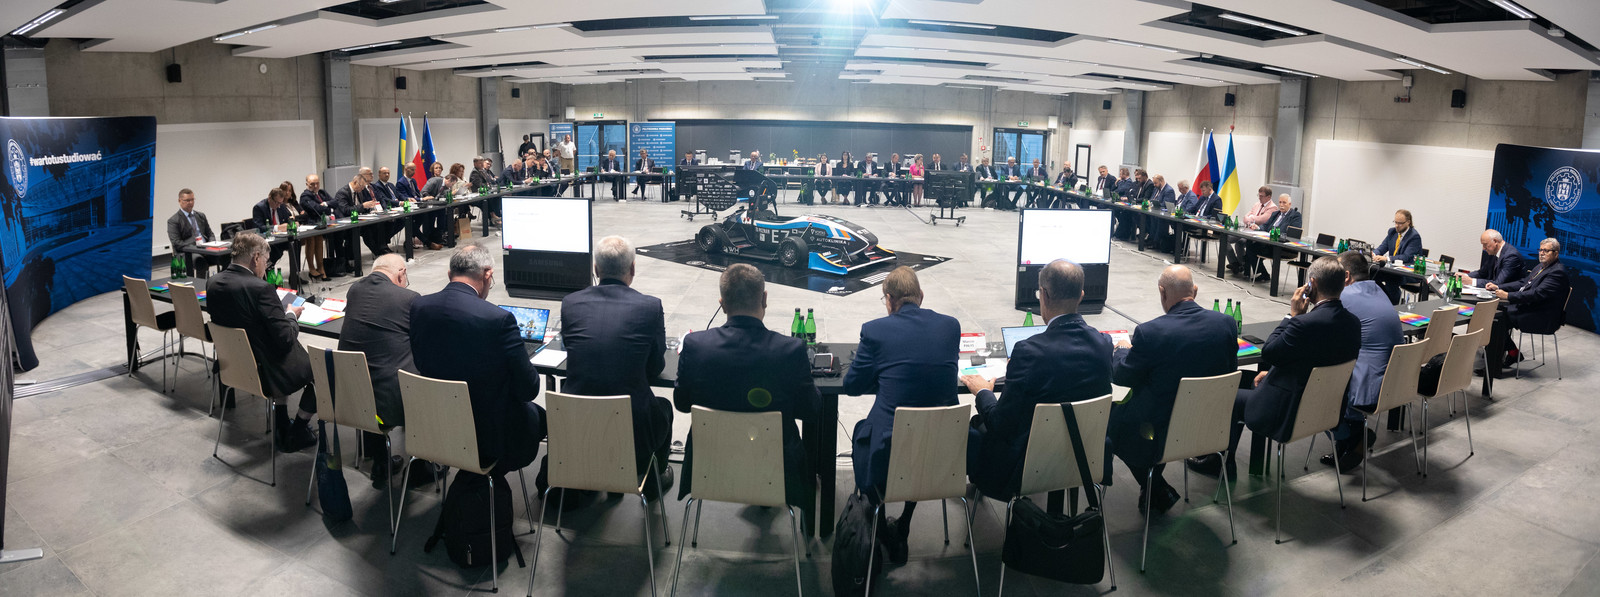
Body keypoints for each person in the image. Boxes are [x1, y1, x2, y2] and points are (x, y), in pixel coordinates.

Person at [1187, 257, 1361, 479]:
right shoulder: (1353, 323)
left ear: (1312, 284)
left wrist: (1292, 316)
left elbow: (1269, 352)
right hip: (1323, 410)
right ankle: (1219, 459)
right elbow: (1315, 361)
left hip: (1287, 412)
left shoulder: (1303, 324)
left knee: (1228, 395)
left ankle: (1219, 463)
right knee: (1245, 378)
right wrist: (1272, 373)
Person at [961, 260, 1112, 500]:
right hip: (1085, 458)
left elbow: (1001, 423)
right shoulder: (1104, 343)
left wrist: (983, 392)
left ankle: (980, 486)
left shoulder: (1028, 352)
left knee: (976, 426)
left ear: (1044, 295)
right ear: (1081, 296)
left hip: (1029, 467)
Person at [842, 267, 963, 563]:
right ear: (921, 296)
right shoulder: (951, 326)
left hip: (888, 455)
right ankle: (905, 522)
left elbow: (852, 385)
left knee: (863, 431)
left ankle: (882, 528)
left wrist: (883, 376)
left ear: (889, 299)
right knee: (920, 441)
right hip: (942, 455)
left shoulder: (875, 330)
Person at [674, 263, 818, 507]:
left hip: (710, 467)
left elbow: (681, 403)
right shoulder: (790, 350)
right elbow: (811, 409)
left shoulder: (695, 346)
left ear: (722, 304)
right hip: (777, 471)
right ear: (764, 299)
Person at [1110, 265, 1238, 514]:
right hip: (1211, 430)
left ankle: (1155, 485)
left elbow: (1124, 376)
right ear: (1195, 291)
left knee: (1113, 418)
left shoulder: (1150, 333)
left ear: (1162, 292)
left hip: (1161, 434)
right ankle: (1155, 488)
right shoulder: (1226, 324)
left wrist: (1122, 350)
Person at [410, 245, 547, 474]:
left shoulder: (419, 306)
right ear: (487, 274)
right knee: (540, 416)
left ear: (450, 274)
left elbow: (421, 361)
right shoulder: (498, 319)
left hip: (436, 423)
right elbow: (529, 389)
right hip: (487, 434)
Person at [558, 236, 674, 495]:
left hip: (578, 429)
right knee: (664, 407)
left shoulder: (571, 303)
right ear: (632, 268)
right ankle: (653, 482)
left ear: (596, 269)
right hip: (633, 439)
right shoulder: (650, 306)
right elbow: (655, 366)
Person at [206, 232, 319, 452]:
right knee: (324, 369)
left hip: (234, 366)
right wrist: (291, 315)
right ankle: (297, 431)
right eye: (266, 262)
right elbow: (286, 339)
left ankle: (282, 424)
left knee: (276, 352)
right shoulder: (261, 289)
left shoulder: (213, 282)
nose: (265, 269)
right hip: (266, 371)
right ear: (256, 258)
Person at [337, 253, 419, 486]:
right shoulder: (409, 298)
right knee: (425, 377)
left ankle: (380, 460)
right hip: (389, 405)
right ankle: (423, 464)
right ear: (402, 273)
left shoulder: (354, 290)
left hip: (351, 399)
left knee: (371, 369)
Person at [1317, 251, 1401, 472]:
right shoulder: (1379, 290)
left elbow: (1319, 331)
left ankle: (1351, 434)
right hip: (1396, 384)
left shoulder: (1345, 297)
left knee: (1311, 387)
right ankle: (1348, 440)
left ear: (1345, 276)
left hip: (1369, 389)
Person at [1484, 238, 1570, 376]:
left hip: (1542, 317)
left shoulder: (1557, 272)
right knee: (1496, 314)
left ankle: (1493, 369)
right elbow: (1523, 284)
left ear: (1556, 253)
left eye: (1546, 251)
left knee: (1498, 318)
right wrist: (1498, 286)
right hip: (1532, 309)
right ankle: (1509, 353)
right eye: (1540, 250)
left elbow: (1536, 294)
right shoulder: (1541, 267)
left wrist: (1508, 296)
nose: (1542, 253)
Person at [1243, 194, 1304, 282]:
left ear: (1290, 204)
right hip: (1269, 243)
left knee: (1253, 248)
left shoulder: (1295, 216)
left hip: (1283, 247)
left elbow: (1293, 234)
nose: (1281, 205)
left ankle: (1262, 275)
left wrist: (1275, 234)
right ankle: (1261, 273)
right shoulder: (1275, 214)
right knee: (1250, 245)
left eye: (1284, 203)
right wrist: (1258, 227)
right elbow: (1265, 226)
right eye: (1280, 202)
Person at [1225, 187, 1280, 277]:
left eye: (1262, 196)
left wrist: (1251, 218)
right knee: (1225, 239)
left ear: (1268, 197)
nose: (1259, 197)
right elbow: (1245, 218)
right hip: (1247, 230)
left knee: (1240, 243)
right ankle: (1235, 263)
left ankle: (1242, 264)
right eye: (1259, 195)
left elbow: (1262, 220)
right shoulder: (1257, 204)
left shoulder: (1273, 208)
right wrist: (1251, 219)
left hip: (1258, 235)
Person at [1372, 209, 1424, 303]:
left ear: (1408, 222)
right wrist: (1374, 254)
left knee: (1392, 278)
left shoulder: (1414, 236)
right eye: (1395, 222)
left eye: (1400, 223)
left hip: (1409, 273)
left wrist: (1387, 258)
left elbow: (1406, 257)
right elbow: (1382, 247)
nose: (1396, 225)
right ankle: (1383, 301)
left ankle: (1394, 304)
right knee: (1372, 273)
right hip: (1393, 269)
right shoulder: (1392, 232)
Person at [167, 188, 217, 276]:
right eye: (187, 200)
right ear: (179, 201)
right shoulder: (174, 220)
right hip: (187, 252)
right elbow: (177, 243)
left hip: (205, 248)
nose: (190, 202)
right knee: (200, 261)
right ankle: (201, 284)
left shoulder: (201, 216)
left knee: (225, 257)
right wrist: (196, 248)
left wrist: (212, 243)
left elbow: (210, 233)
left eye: (192, 200)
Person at [1458, 230, 1526, 288]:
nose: (1484, 248)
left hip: (1507, 296)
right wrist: (1464, 276)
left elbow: (1498, 283)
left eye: (1485, 244)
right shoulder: (1493, 251)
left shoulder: (1511, 256)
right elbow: (1482, 273)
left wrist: (1472, 281)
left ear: (1495, 241)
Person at [251, 187, 294, 270]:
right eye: (276, 202)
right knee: (273, 250)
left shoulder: (281, 206)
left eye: (280, 203)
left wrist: (293, 223)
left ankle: (295, 274)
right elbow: (258, 227)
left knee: (295, 243)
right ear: (269, 198)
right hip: (268, 240)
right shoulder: (259, 207)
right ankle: (267, 270)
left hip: (281, 237)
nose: (278, 206)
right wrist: (276, 227)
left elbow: (288, 220)